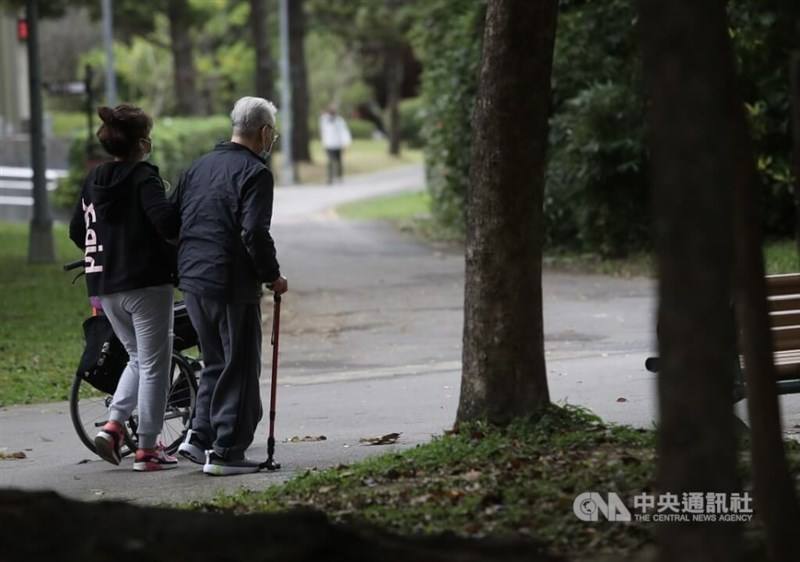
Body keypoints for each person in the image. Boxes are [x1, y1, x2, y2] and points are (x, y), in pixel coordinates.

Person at [175, 96, 288, 476]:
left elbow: (172, 217)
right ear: (265, 132)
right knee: (238, 365)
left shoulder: (199, 166)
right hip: (229, 281)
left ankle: (199, 436)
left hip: (193, 279)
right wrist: (272, 275)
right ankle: (227, 451)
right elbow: (254, 230)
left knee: (214, 360)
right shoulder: (255, 173)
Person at [68, 104, 179, 471]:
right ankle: (148, 449)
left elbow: (76, 230)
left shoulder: (93, 179)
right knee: (155, 364)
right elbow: (165, 221)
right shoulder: (144, 176)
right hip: (145, 283)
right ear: (141, 143)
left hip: (104, 283)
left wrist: (108, 252)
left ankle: (114, 427)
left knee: (137, 358)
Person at [319, 104, 352, 184]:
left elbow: (344, 132)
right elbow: (323, 131)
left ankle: (339, 176)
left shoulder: (340, 120)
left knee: (338, 161)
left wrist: (346, 143)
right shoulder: (324, 119)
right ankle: (330, 178)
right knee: (330, 161)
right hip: (329, 144)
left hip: (338, 144)